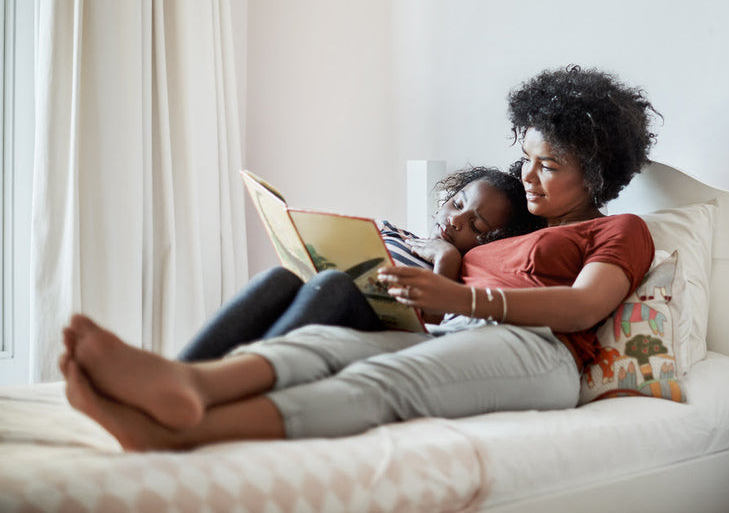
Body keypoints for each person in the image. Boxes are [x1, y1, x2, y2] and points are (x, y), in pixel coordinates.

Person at [59, 65, 662, 451]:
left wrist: (464, 297)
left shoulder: (619, 230)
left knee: (382, 383)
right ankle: (188, 382)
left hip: (541, 352)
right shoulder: (505, 233)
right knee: (326, 348)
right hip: (456, 331)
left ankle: (179, 432)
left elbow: (585, 307)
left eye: (549, 166)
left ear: (598, 173)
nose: (527, 175)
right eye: (526, 156)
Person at [177, 166, 544, 361]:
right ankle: (185, 370)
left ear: (492, 242)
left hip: (378, 325)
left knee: (336, 283)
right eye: (457, 203)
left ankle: (240, 374)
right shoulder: (393, 232)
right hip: (325, 295)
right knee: (279, 278)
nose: (455, 220)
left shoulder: (459, 275)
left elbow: (432, 325)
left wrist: (446, 257)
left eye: (475, 226)